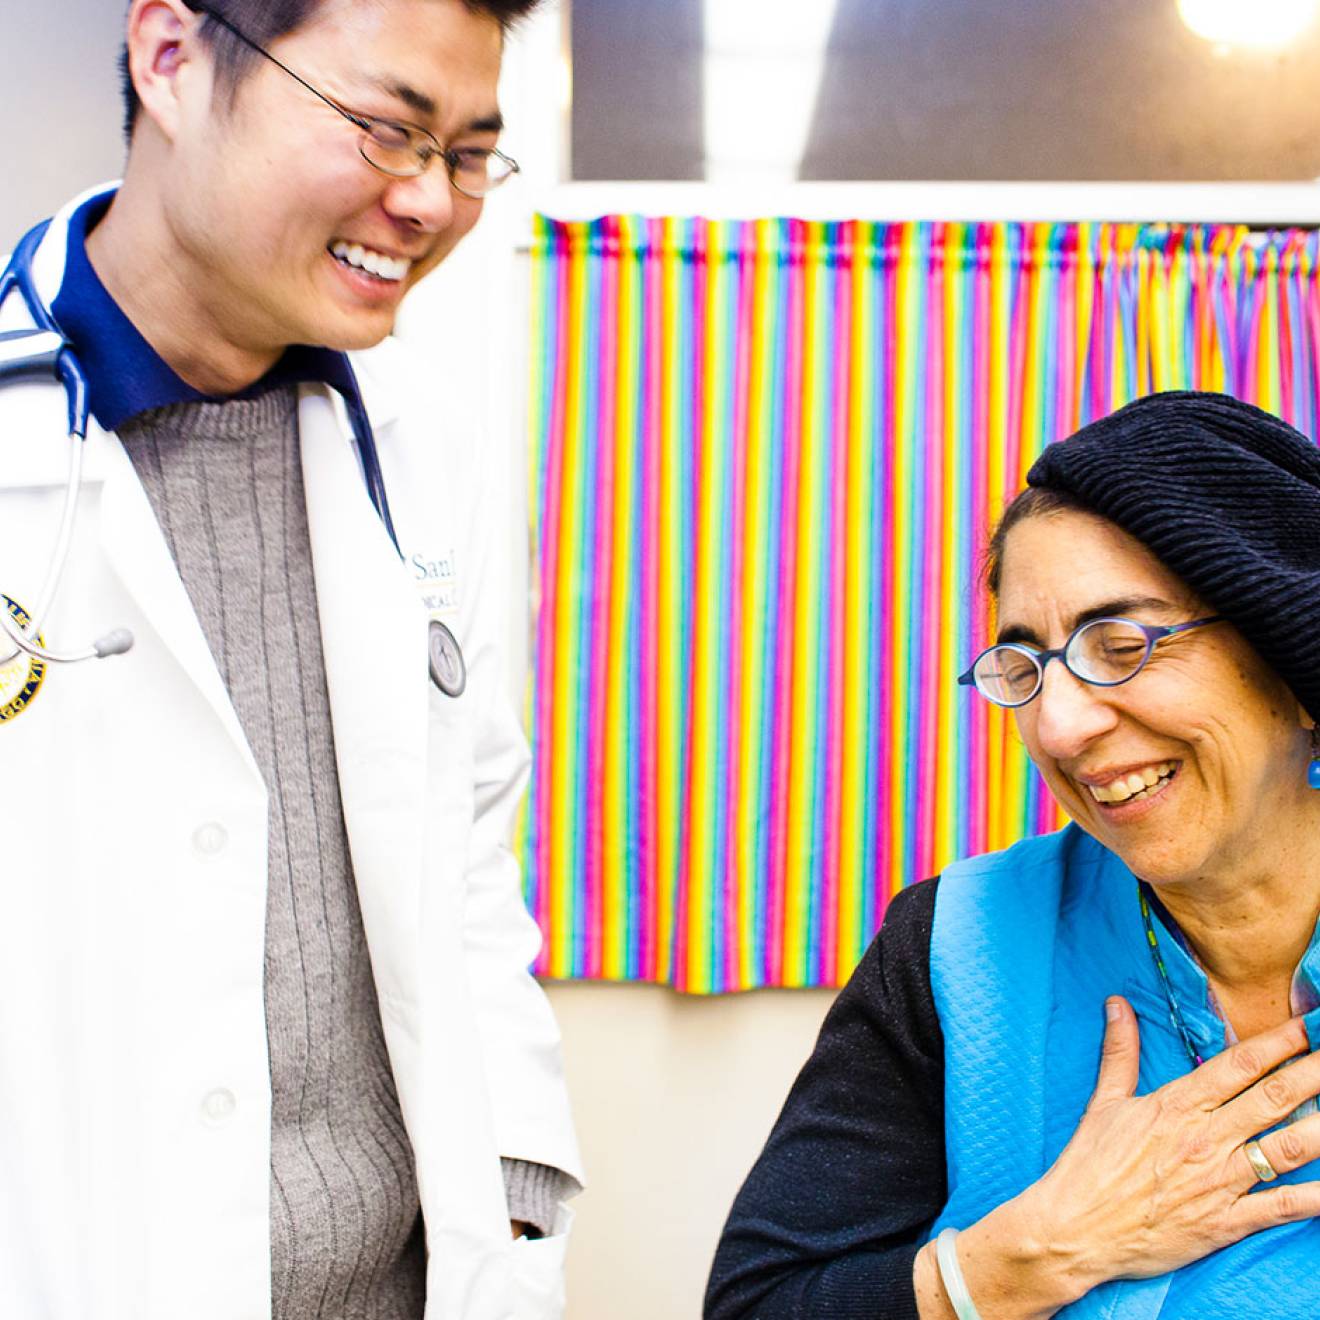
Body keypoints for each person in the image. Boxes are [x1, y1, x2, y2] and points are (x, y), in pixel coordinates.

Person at [0, 2, 582, 1317]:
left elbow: (467, 862)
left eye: (470, 153)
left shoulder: (424, 451)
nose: (428, 202)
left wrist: (519, 1199)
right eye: (386, 130)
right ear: (170, 56)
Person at [705, 390, 1320, 1319]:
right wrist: (1031, 1256)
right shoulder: (958, 942)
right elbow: (759, 1306)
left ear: (1294, 666)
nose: (1060, 727)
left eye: (1121, 644)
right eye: (1025, 669)